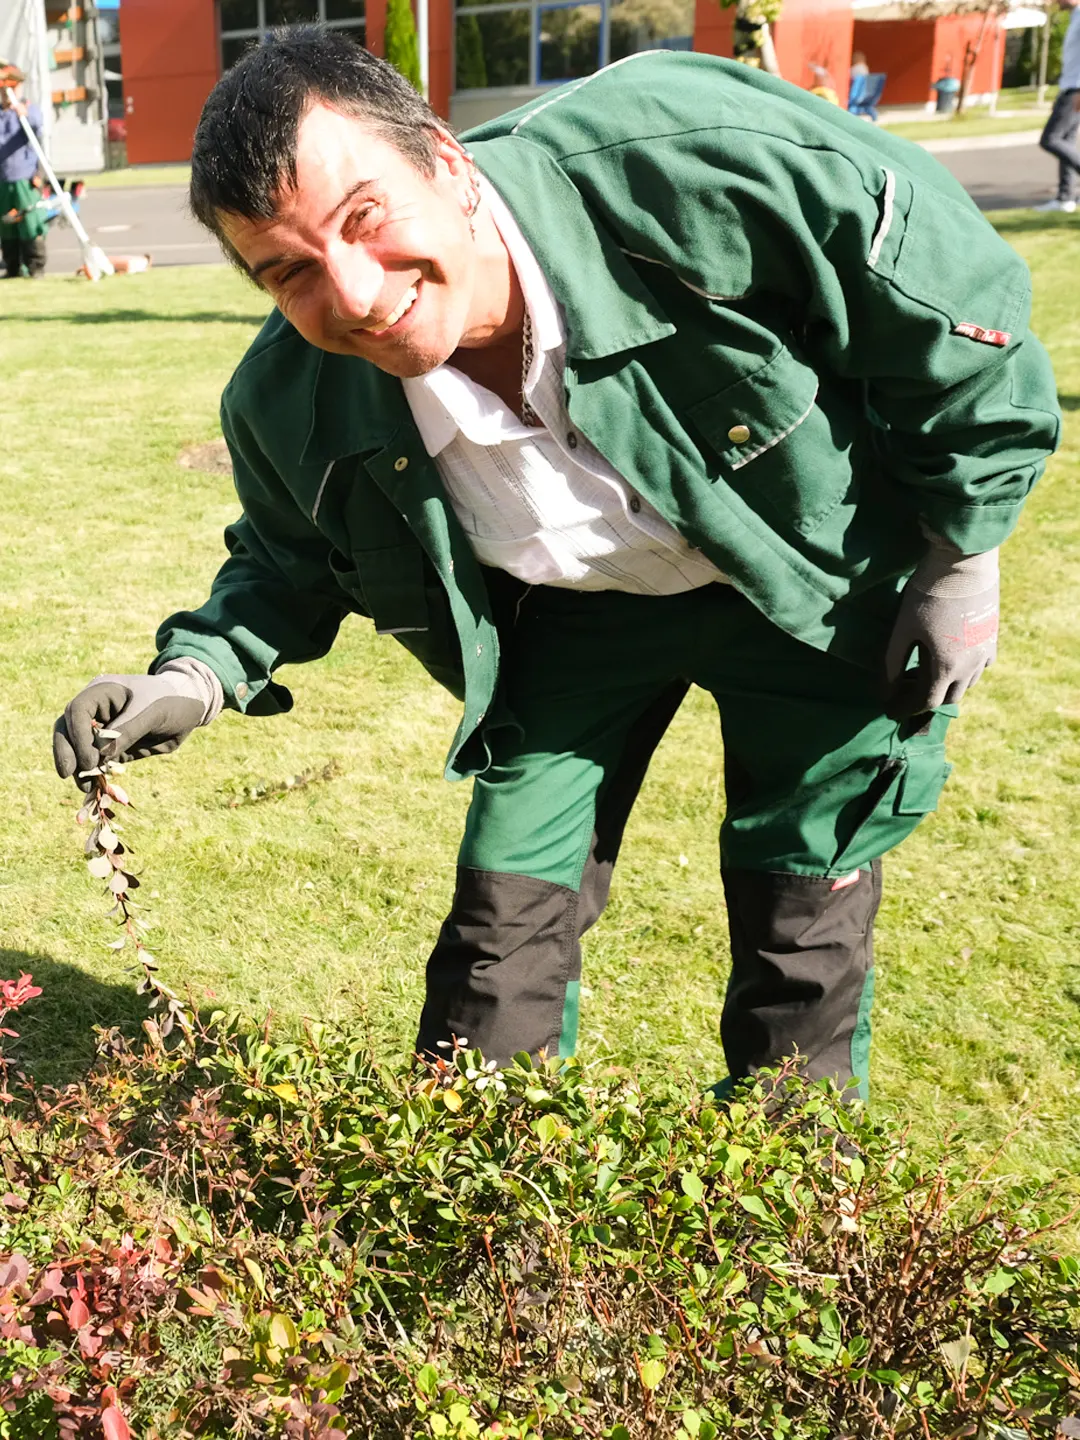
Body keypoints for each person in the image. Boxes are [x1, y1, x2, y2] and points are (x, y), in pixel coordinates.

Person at [53, 30, 1059, 1100]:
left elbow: (948, 308)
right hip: (574, 617)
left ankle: (795, 1230)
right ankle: (488, 1216)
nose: (350, 295)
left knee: (801, 920)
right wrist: (192, 678)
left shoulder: (692, 157)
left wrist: (963, 553)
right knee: (500, 930)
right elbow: (287, 558)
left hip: (803, 571)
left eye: (364, 217)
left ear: (447, 163)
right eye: (290, 272)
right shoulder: (286, 399)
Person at [0, 62, 47, 279]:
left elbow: (38, 127)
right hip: (3, 179)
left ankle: (35, 266)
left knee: (29, 222)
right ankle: (12, 267)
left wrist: (24, 113)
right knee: (6, 225)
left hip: (24, 178)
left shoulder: (28, 108)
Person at [1035, 0, 1080, 213]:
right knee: (1066, 140)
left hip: (1076, 89)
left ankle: (1065, 197)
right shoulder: (1075, 17)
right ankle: (1065, 198)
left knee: (1050, 139)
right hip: (1069, 88)